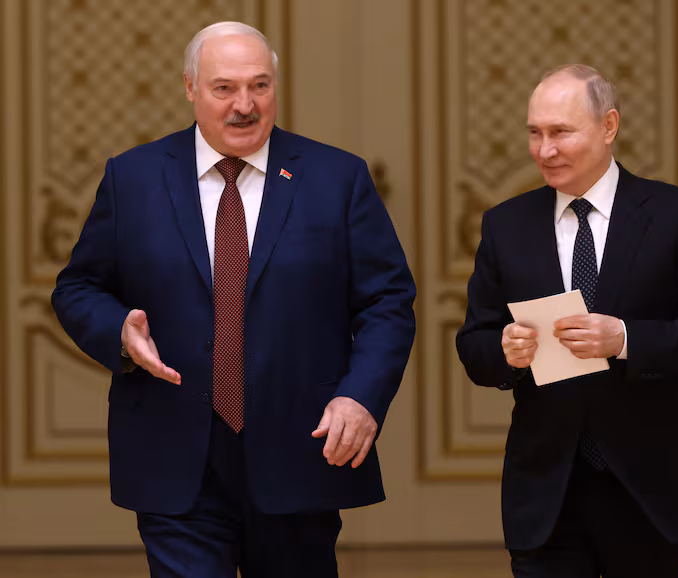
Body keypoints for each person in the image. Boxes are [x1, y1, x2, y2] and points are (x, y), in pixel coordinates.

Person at [51, 21, 415, 578]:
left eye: (259, 86)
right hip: (173, 453)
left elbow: (387, 301)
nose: (245, 105)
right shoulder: (133, 178)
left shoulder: (336, 178)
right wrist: (118, 330)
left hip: (300, 451)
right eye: (224, 88)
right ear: (190, 88)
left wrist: (361, 398)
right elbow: (78, 287)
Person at [456, 64, 678, 578]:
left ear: (609, 126)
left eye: (561, 132)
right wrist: (505, 351)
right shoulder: (506, 225)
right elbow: (474, 344)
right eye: (535, 133)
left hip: (650, 487)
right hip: (546, 491)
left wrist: (626, 338)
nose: (545, 150)